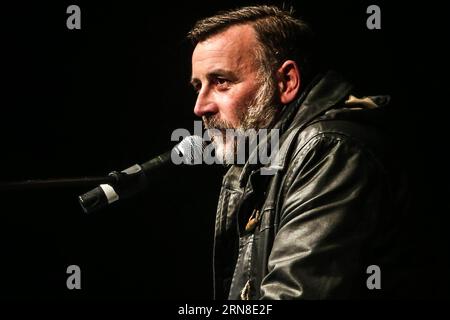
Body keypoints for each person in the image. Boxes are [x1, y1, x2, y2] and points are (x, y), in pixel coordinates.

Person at [188, 5, 409, 299]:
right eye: (198, 86)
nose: (200, 107)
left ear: (286, 82)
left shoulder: (330, 148)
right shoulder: (260, 160)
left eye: (221, 82)